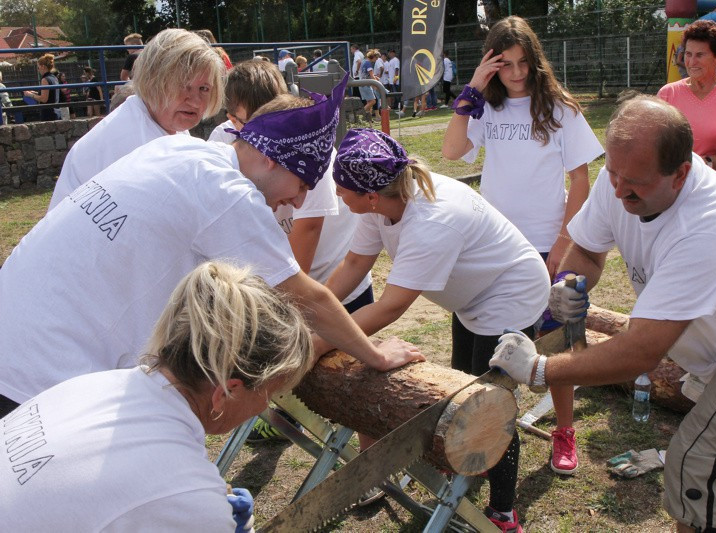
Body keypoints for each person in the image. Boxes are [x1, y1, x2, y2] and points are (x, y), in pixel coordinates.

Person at [0, 77, 422, 420]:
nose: (296, 201)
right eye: (302, 186)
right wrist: (376, 356)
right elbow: (305, 297)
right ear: (273, 159)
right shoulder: (230, 194)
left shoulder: (176, 147)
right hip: (44, 373)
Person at [489, 95, 716, 533]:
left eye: (633, 182)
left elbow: (642, 352)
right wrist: (569, 285)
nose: (618, 190)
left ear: (682, 173)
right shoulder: (623, 175)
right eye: (613, 174)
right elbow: (588, 250)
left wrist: (540, 369)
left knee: (698, 458)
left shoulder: (708, 224)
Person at [327, 128, 550, 532]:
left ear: (371, 194)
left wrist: (321, 338)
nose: (338, 194)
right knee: (459, 388)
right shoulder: (384, 203)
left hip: (508, 294)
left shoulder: (432, 220)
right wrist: (315, 314)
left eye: (343, 188)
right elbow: (354, 266)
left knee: (488, 405)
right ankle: (466, 466)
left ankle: (503, 513)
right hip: (471, 299)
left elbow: (391, 306)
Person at [0, 260, 314, 531]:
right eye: (269, 393)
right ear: (227, 392)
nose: (266, 405)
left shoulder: (94, 385)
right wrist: (203, 515)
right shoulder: (187, 496)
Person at [442, 15, 604, 476]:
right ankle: (471, 427)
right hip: (489, 248)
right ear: (491, 65)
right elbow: (452, 152)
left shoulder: (559, 108)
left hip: (545, 246)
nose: (515, 73)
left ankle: (564, 430)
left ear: (535, 62)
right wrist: (471, 90)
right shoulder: (484, 107)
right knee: (481, 340)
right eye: (504, 64)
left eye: (522, 63)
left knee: (555, 340)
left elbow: (579, 179)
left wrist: (563, 239)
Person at [207, 61, 373, 442]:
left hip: (324, 278)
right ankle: (285, 416)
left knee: (353, 380)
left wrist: (277, 310)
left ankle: (365, 454)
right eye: (239, 123)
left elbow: (306, 234)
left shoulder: (301, 144)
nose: (296, 200)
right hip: (285, 281)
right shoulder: (225, 147)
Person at [49, 28, 224, 211]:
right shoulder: (135, 141)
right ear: (154, 81)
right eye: (182, 86)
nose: (195, 101)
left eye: (204, 88)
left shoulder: (160, 121)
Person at [657, 20, 716, 168]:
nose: (692, 62)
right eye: (688, 54)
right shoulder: (667, 94)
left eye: (700, 55)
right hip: (676, 184)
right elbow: (656, 144)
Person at [23, 53, 60, 122]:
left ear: (43, 66)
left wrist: (30, 95)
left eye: (38, 67)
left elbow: (44, 99)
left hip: (48, 114)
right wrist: (36, 93)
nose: (38, 69)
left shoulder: (45, 79)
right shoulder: (54, 78)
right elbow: (50, 94)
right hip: (56, 112)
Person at [359, 50, 379, 122]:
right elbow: (371, 75)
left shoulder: (364, 61)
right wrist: (376, 84)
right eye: (376, 58)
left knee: (369, 102)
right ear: (373, 57)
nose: (376, 60)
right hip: (365, 85)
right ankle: (359, 114)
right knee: (373, 101)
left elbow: (366, 74)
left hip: (362, 84)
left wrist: (375, 77)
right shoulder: (368, 63)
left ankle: (369, 121)